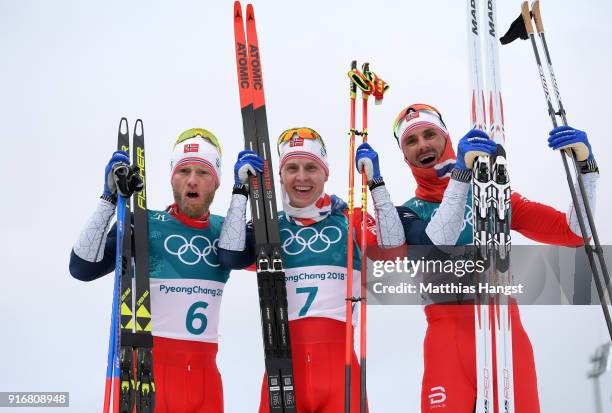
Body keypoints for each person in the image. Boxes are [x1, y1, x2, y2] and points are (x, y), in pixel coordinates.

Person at [218, 126, 492, 413]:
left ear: (326, 173)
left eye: (311, 167)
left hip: (342, 374)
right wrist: (241, 192)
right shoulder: (270, 227)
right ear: (281, 177)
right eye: (292, 168)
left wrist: (375, 182)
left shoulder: (351, 220)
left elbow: (395, 250)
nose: (301, 177)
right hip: (284, 375)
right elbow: (229, 255)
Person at [387, 103, 599, 413]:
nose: (422, 145)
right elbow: (435, 248)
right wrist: (461, 176)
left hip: (505, 335)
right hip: (447, 341)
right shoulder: (403, 214)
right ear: (405, 156)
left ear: (446, 138)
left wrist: (586, 168)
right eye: (411, 141)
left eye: (429, 134)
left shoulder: (495, 198)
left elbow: (574, 232)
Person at [70, 128, 232, 413]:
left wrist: (328, 215)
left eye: (203, 172)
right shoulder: (144, 225)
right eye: (183, 171)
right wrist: (108, 199)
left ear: (216, 182)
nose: (192, 180)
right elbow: (82, 267)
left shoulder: (227, 233)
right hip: (145, 382)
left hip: (205, 386)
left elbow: (285, 260)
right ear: (172, 177)